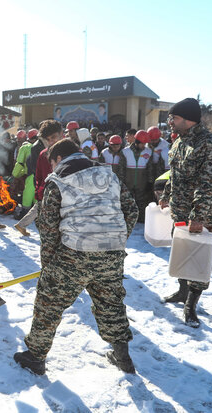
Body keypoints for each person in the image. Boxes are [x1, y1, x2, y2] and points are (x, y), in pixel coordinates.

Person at [14, 139, 138, 376]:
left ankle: (36, 356)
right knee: (111, 303)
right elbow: (131, 209)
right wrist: (114, 238)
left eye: (51, 163)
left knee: (49, 302)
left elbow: (49, 228)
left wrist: (48, 264)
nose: (51, 168)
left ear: (58, 159)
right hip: (111, 253)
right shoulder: (109, 175)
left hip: (73, 254)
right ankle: (122, 356)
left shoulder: (58, 181)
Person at [159, 98, 212, 328]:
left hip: (203, 214)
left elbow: (208, 184)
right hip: (180, 211)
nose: (170, 122)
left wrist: (198, 216)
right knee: (182, 252)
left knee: (199, 258)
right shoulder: (179, 142)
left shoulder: (210, 144)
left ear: (188, 120)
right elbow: (174, 173)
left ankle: (191, 304)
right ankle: (182, 291)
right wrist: (166, 194)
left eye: (174, 118)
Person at [14, 120, 62, 237]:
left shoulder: (39, 147)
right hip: (46, 186)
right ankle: (23, 224)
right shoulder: (41, 151)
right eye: (49, 138)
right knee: (38, 206)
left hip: (46, 186)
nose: (51, 141)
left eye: (54, 137)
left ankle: (22, 224)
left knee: (38, 207)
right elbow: (37, 170)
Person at [119, 130, 154, 223]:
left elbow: (150, 168)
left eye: (145, 143)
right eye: (142, 143)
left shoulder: (148, 152)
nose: (144, 145)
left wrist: (150, 182)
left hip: (142, 182)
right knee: (128, 202)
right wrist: (122, 182)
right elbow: (121, 168)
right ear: (137, 142)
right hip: (128, 181)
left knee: (141, 202)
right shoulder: (125, 152)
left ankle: (141, 220)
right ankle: (127, 220)